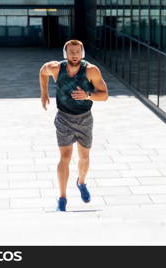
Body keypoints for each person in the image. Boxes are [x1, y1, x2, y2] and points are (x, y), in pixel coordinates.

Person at [39, 39, 109, 211]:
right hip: (63, 118)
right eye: (71, 52)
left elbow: (104, 95)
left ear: (82, 53)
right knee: (65, 157)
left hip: (85, 119)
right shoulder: (56, 68)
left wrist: (88, 95)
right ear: (65, 54)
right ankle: (62, 199)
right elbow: (42, 70)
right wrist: (44, 93)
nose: (74, 55)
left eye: (77, 52)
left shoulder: (91, 71)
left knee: (84, 157)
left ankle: (81, 182)